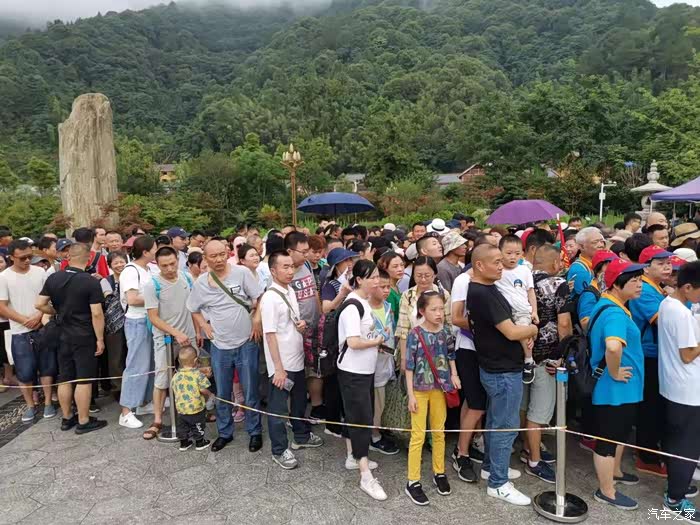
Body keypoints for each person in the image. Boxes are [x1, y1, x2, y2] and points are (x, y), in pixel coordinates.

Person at [467, 244, 538, 506]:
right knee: (505, 426)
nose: (502, 266)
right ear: (479, 265)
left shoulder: (486, 288)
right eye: (496, 262)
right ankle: (498, 483)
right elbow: (511, 331)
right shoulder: (483, 292)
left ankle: (491, 467)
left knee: (497, 421)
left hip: (498, 366)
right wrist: (532, 330)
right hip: (502, 370)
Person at [187, 240, 263, 453]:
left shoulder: (242, 273)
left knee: (250, 391)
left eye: (222, 254)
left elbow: (259, 297)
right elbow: (193, 308)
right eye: (213, 256)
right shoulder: (201, 283)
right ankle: (225, 433)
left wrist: (256, 319)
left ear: (228, 253)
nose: (219, 259)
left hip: (246, 341)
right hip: (220, 345)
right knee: (222, 392)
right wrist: (204, 326)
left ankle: (254, 431)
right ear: (205, 258)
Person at [588, 258, 645, 511]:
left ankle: (615, 473)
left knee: (618, 433)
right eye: (634, 280)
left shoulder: (612, 305)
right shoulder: (614, 312)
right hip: (614, 388)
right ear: (616, 284)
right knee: (608, 439)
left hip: (621, 389)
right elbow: (612, 347)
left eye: (640, 279)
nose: (639, 284)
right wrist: (615, 371)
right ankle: (606, 490)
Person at [35, 243, 108, 434]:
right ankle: (83, 420)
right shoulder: (90, 281)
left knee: (65, 377)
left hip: (62, 332)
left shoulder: (54, 277)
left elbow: (39, 304)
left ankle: (67, 417)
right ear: (89, 258)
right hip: (84, 334)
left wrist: (56, 311)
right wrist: (100, 339)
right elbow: (97, 313)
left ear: (68, 257)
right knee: (84, 378)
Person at [261, 250, 323, 469]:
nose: (290, 271)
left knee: (298, 402)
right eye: (285, 267)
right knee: (278, 410)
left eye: (291, 267)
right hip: (282, 365)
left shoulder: (289, 290)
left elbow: (288, 324)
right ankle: (279, 450)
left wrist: (301, 326)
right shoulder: (270, 298)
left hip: (296, 359)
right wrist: (278, 368)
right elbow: (269, 335)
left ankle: (301, 436)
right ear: (273, 270)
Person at [521, 244, 574, 482]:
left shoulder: (523, 280)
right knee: (539, 411)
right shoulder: (558, 284)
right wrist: (563, 352)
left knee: (524, 406)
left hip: (523, 353)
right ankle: (534, 460)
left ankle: (526, 447)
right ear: (555, 263)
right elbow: (564, 323)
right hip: (548, 356)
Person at [337, 260, 388, 501]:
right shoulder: (352, 306)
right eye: (372, 277)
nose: (377, 281)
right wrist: (376, 342)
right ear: (359, 280)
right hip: (353, 371)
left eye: (378, 276)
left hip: (364, 370)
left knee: (356, 415)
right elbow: (353, 342)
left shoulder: (364, 303)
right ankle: (365, 474)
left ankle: (353, 456)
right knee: (361, 419)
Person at [405, 291, 460, 505]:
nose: (439, 313)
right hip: (419, 389)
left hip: (440, 387)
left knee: (439, 432)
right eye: (433, 309)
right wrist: (410, 395)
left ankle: (439, 472)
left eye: (441, 309)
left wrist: (454, 374)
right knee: (418, 435)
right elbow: (409, 366)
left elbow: (451, 355)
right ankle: (413, 481)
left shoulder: (446, 332)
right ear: (422, 311)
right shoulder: (415, 334)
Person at [658, 261, 700, 519]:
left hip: (673, 385)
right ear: (687, 287)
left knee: (676, 442)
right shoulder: (682, 314)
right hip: (688, 390)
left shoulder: (668, 304)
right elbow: (687, 355)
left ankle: (677, 485)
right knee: (687, 447)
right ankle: (675, 499)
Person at [142, 246, 197, 440]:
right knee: (162, 379)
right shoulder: (152, 285)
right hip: (165, 339)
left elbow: (193, 307)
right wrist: (175, 333)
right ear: (157, 264)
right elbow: (153, 317)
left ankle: (194, 413)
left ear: (178, 261)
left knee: (191, 375)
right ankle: (157, 420)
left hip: (188, 336)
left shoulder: (187, 277)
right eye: (164, 265)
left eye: (172, 263)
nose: (170, 269)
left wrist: (198, 331)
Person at [629, 245, 673, 476]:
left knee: (654, 405)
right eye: (661, 264)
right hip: (648, 354)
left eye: (668, 263)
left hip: (657, 353)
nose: (668, 267)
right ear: (646, 268)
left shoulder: (658, 287)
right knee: (650, 406)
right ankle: (646, 456)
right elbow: (664, 321)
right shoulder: (644, 290)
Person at [0, 239, 54, 422]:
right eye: (22, 258)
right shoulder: (4, 277)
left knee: (47, 367)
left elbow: (48, 298)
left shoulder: (40, 272)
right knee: (24, 371)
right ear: (11, 257)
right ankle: (30, 405)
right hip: (19, 331)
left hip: (42, 325)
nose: (27, 261)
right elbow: (2, 307)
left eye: (30, 256)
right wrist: (25, 320)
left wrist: (38, 315)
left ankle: (48, 402)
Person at [118, 235, 158, 429]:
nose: (157, 251)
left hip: (150, 320)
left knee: (150, 364)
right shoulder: (130, 271)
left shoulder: (148, 269)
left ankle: (144, 402)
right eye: (155, 248)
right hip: (137, 322)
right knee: (136, 365)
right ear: (145, 251)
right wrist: (157, 297)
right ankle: (126, 411)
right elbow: (132, 299)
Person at [450, 267, 485, 484]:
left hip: (485, 349)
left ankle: (463, 446)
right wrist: (490, 324)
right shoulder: (464, 280)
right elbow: (457, 318)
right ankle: (461, 454)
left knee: (472, 402)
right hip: (468, 347)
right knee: (477, 404)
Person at [284, 232, 324, 422]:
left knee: (314, 368)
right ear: (289, 251)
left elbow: (314, 291)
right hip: (296, 331)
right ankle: (293, 414)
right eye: (303, 251)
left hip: (314, 327)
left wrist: (320, 315)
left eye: (308, 251)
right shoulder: (283, 272)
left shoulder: (306, 265)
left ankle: (316, 407)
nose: (307, 255)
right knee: (296, 373)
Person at [495, 235, 538, 384]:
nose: (513, 257)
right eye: (508, 253)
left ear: (522, 254)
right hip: (503, 311)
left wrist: (534, 311)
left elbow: (530, 292)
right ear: (500, 252)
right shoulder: (497, 270)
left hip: (522, 310)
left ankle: (529, 360)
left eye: (517, 253)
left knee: (523, 333)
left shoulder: (524, 270)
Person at [396, 257, 451, 371]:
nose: (423, 279)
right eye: (419, 275)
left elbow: (449, 325)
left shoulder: (443, 295)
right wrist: (404, 359)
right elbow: (403, 329)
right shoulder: (408, 296)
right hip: (414, 350)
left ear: (434, 275)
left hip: (439, 350)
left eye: (427, 275)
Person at [367, 269, 399, 455]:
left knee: (383, 398)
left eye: (388, 287)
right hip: (372, 362)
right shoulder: (365, 308)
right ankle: (374, 435)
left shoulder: (387, 306)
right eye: (382, 287)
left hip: (387, 359)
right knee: (376, 400)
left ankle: (378, 428)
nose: (387, 291)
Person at [171, 345, 211, 451]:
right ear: (195, 360)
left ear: (179, 361)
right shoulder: (198, 375)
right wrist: (210, 394)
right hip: (196, 407)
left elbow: (173, 388)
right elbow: (203, 389)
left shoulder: (176, 376)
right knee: (198, 424)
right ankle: (199, 442)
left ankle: (184, 443)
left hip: (181, 408)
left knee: (182, 426)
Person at [102, 251, 128, 397]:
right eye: (115, 263)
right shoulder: (106, 281)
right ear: (110, 265)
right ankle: (118, 388)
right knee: (116, 358)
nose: (119, 265)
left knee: (131, 355)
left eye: (121, 261)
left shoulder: (132, 279)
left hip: (131, 322)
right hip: (113, 325)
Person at [568, 227, 606, 298]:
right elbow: (586, 298)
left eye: (602, 241)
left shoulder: (600, 264)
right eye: (595, 242)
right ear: (581, 246)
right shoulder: (580, 270)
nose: (601, 245)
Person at [376, 251, 404, 325]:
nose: (400, 269)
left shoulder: (395, 286)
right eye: (395, 266)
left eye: (402, 265)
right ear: (385, 269)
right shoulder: (388, 292)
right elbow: (391, 318)